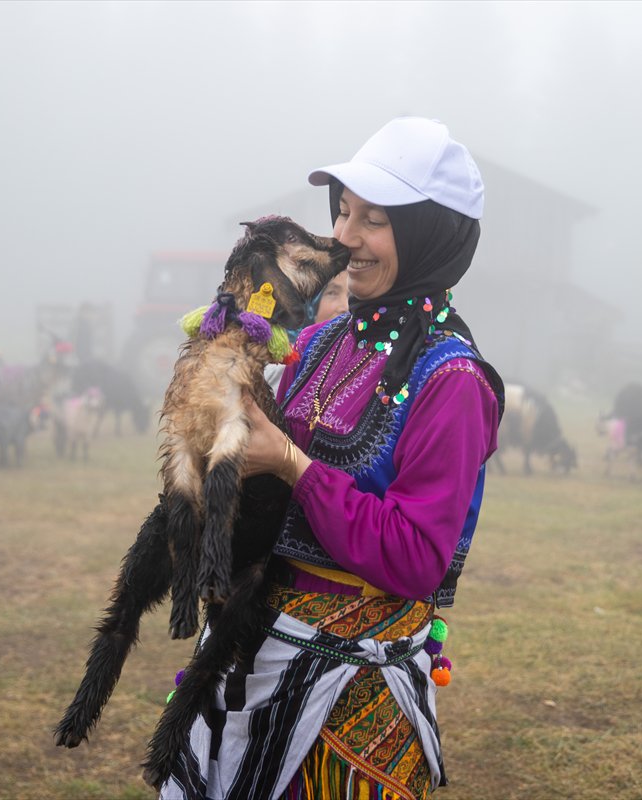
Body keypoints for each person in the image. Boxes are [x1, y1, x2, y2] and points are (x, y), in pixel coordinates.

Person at [162, 117, 503, 800]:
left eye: (374, 221)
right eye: (344, 212)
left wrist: (293, 464)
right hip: (250, 658)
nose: (345, 238)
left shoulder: (452, 382)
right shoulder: (319, 343)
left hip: (348, 697)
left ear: (430, 233)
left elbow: (414, 557)